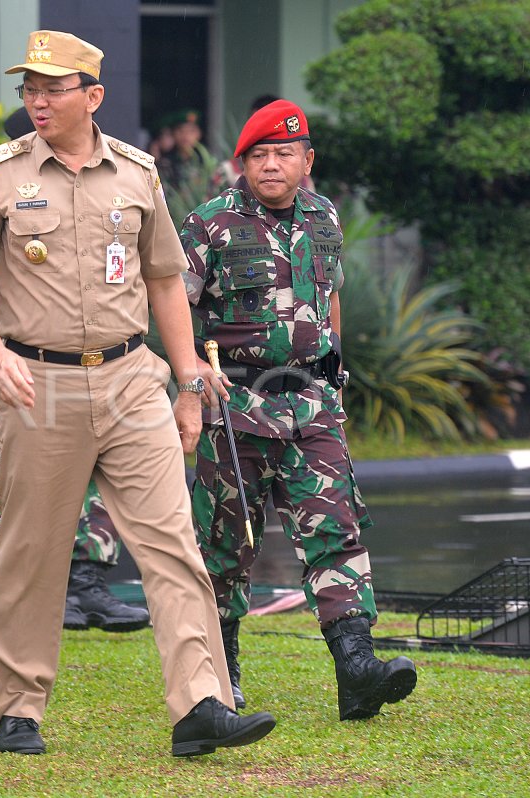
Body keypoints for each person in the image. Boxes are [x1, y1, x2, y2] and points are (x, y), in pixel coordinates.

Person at [0, 29, 277, 757]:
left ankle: (201, 706)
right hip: (39, 382)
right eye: (30, 87)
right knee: (33, 552)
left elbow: (164, 279)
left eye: (52, 88)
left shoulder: (137, 172)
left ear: (92, 96)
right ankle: (19, 708)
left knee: (173, 544)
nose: (36, 99)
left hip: (131, 379)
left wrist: (189, 380)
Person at [181, 99, 417, 721]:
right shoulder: (211, 224)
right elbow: (173, 302)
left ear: (307, 160)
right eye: (259, 155)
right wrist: (191, 375)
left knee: (336, 527)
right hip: (237, 404)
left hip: (312, 402)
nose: (271, 165)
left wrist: (336, 372)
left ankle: (356, 666)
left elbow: (328, 292)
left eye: (284, 154)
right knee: (225, 544)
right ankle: (221, 671)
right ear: (243, 163)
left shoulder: (322, 216)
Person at [3, 105, 149, 633]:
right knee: (39, 494)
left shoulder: (121, 178)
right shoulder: (3, 179)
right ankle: (55, 588)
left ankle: (88, 582)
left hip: (107, 362)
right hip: (32, 360)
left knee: (99, 479)